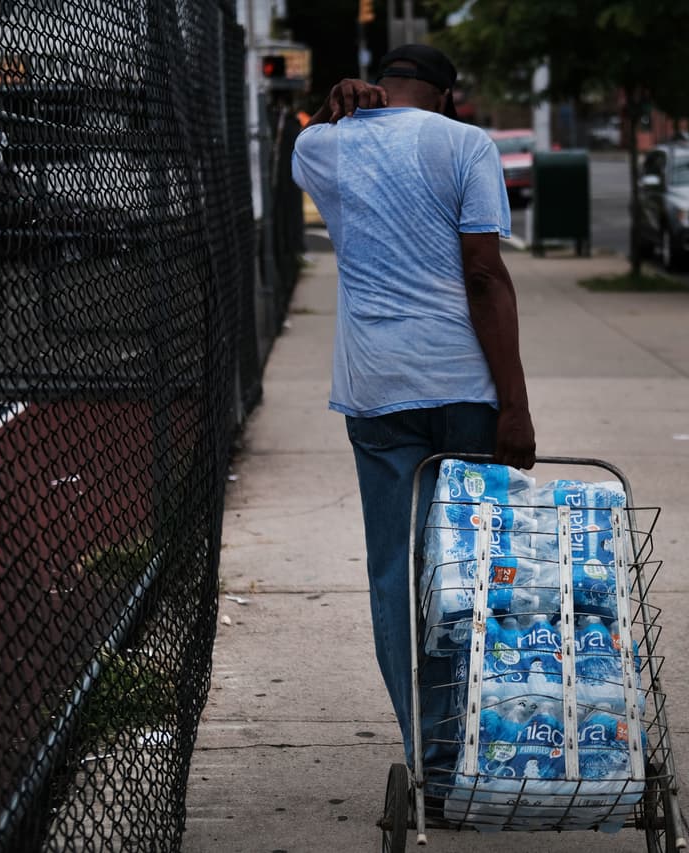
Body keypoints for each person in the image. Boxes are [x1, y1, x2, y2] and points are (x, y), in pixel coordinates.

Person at [291, 44, 536, 766]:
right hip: (464, 386)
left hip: (377, 390)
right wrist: (514, 404)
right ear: (447, 97)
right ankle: (486, 735)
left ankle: (424, 747)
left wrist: (340, 102)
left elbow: (299, 137)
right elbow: (485, 277)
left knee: (394, 570)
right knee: (474, 563)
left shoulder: (322, 147)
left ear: (381, 87)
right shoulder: (466, 145)